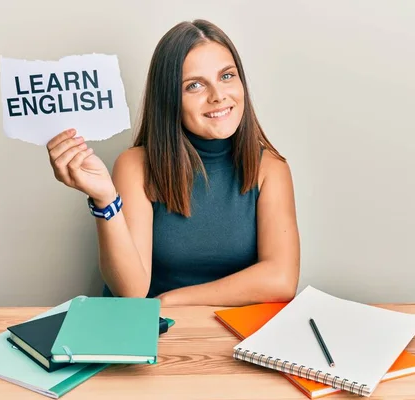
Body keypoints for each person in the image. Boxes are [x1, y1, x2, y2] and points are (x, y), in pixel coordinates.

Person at [46, 19, 300, 306]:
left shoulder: (270, 169)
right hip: (150, 330)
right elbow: (132, 292)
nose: (218, 96)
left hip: (222, 331)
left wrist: (171, 301)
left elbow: (281, 280)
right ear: (170, 99)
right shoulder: (136, 166)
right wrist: (105, 200)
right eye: (194, 86)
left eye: (227, 76)